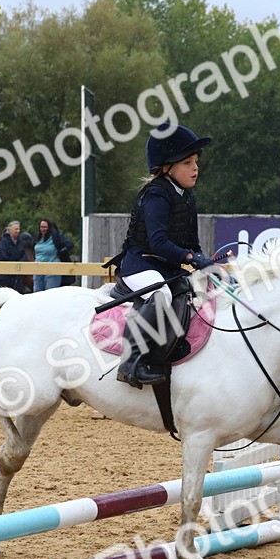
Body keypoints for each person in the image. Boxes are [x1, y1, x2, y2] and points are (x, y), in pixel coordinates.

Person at [108, 123, 219, 387]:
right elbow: (158, 243)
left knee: (200, 291)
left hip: (165, 267)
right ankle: (131, 363)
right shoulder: (157, 194)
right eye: (188, 163)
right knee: (161, 294)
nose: (195, 168)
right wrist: (191, 258)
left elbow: (191, 242)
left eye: (196, 162)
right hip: (139, 264)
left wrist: (205, 264)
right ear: (167, 167)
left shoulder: (187, 197)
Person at [32, 218, 73, 292]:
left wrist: (60, 252)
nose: (43, 229)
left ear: (49, 227)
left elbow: (69, 245)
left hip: (53, 267)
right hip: (38, 268)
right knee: (37, 292)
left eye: (45, 227)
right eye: (41, 227)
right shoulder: (37, 237)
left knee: (50, 292)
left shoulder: (55, 236)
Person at [0, 220, 32, 292]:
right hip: (5, 276)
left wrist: (19, 263)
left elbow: (24, 255)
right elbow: (3, 256)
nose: (18, 231)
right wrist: (13, 263)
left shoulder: (20, 241)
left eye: (19, 229)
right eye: (16, 229)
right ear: (10, 230)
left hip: (18, 276)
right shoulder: (4, 241)